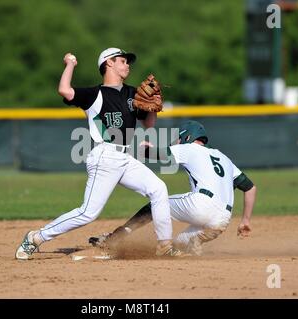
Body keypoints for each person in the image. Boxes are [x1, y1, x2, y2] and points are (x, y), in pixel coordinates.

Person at [15, 48, 183, 260]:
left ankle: (164, 245)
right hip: (105, 156)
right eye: (122, 61)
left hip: (125, 157)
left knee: (158, 189)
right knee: (88, 212)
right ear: (108, 63)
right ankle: (36, 237)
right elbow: (65, 90)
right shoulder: (95, 94)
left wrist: (153, 108)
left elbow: (148, 125)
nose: (127, 65)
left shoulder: (133, 93)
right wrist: (70, 64)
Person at [89, 120, 257, 256]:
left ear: (187, 136)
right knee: (179, 248)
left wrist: (144, 149)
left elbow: (158, 155)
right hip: (222, 220)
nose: (177, 140)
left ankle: (116, 238)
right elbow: (250, 187)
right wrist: (245, 221)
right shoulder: (223, 157)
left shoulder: (189, 147)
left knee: (157, 201)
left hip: (201, 205)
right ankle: (192, 248)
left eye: (179, 137)